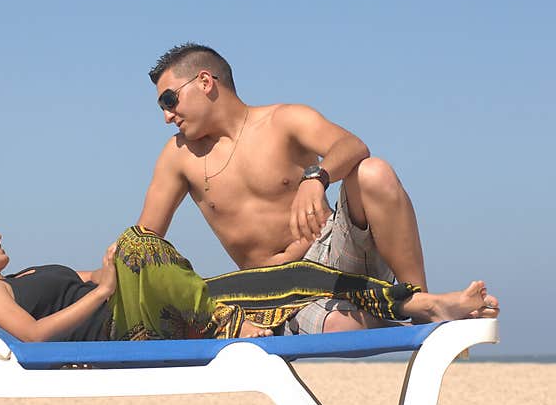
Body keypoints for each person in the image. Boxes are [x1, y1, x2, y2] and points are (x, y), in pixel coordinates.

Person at [139, 42, 500, 335]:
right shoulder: (178, 156)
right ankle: (420, 313)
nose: (167, 115)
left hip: (334, 254)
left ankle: (420, 302)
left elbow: (352, 146)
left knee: (373, 172)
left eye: (169, 100)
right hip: (275, 292)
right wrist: (95, 282)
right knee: (339, 327)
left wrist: (316, 178)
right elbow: (146, 240)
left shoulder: (284, 120)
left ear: (205, 82)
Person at [0, 208, 498, 344]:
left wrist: (109, 266)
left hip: (134, 304)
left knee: (292, 276)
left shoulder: (19, 273)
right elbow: (31, 339)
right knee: (280, 280)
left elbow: (89, 276)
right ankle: (423, 304)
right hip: (123, 324)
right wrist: (109, 288)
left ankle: (421, 303)